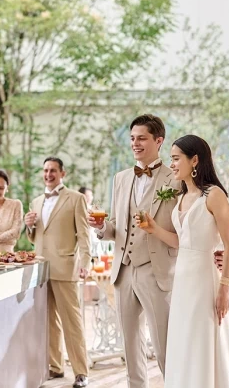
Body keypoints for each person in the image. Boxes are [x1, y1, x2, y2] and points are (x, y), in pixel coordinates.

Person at [137, 135, 229, 387]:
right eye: (171, 159)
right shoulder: (182, 197)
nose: (172, 164)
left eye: (176, 159)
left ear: (194, 160)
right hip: (182, 282)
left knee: (206, 338)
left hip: (205, 281)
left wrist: (224, 290)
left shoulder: (213, 195)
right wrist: (153, 229)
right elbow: (182, 242)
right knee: (186, 341)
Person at [88, 114, 180, 388]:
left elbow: (183, 225)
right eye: (132, 138)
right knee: (130, 346)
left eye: (142, 138)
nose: (135, 144)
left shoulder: (175, 178)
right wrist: (101, 227)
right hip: (123, 270)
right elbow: (117, 225)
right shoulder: (121, 178)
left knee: (164, 346)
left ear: (159, 141)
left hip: (157, 270)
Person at [25, 157, 90, 388]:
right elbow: (34, 237)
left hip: (65, 267)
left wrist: (86, 262)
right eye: (45, 170)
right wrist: (29, 225)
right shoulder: (36, 201)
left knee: (72, 322)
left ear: (63, 173)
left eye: (53, 170)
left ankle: (81, 372)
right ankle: (55, 366)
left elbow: (84, 234)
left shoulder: (76, 198)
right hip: (41, 269)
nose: (48, 174)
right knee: (49, 320)